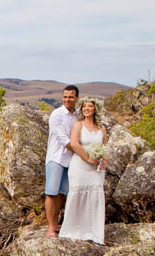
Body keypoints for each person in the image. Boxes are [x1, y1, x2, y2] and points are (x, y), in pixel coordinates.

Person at [59, 97, 108, 244]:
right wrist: (88, 158)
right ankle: (74, 230)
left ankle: (94, 232)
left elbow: (105, 145)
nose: (86, 109)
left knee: (94, 197)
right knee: (78, 196)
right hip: (80, 166)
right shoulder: (78, 125)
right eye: (84, 106)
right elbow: (74, 144)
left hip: (96, 170)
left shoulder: (102, 128)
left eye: (90, 106)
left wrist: (103, 160)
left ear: (95, 109)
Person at [45, 85, 79, 237]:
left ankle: (56, 222)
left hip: (70, 159)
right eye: (65, 96)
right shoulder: (57, 115)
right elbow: (64, 140)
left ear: (76, 98)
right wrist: (86, 154)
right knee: (51, 192)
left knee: (61, 193)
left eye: (70, 97)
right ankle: (50, 227)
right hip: (56, 157)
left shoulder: (78, 116)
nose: (67, 99)